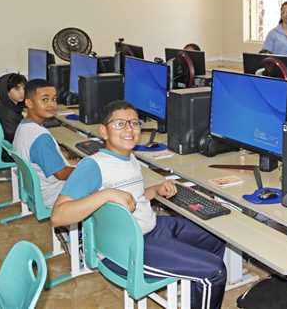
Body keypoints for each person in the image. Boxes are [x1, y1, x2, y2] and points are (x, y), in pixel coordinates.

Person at [51, 100, 227, 309]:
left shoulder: (128, 156)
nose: (129, 129)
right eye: (120, 124)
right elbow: (58, 216)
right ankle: (203, 279)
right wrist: (106, 194)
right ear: (103, 131)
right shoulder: (93, 166)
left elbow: (131, 199)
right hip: (127, 249)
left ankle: (195, 288)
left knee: (216, 237)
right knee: (214, 272)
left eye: (134, 123)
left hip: (149, 228)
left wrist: (155, 190)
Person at [12, 79, 75, 208]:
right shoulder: (40, 137)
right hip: (54, 194)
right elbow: (61, 174)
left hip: (38, 190)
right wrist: (87, 168)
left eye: (54, 99)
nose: (52, 104)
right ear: (29, 103)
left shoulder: (24, 126)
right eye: (45, 100)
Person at [0, 73, 27, 162]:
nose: (22, 92)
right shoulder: (9, 114)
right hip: (10, 153)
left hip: (3, 149)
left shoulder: (2, 107)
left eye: (23, 88)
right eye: (17, 89)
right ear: (6, 91)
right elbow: (20, 138)